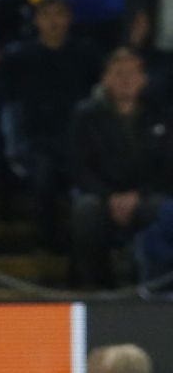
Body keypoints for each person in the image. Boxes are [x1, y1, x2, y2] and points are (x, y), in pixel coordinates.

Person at [0, 0, 101, 247]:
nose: (53, 21)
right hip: (38, 139)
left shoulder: (86, 55)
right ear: (36, 20)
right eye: (46, 15)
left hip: (79, 138)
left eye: (59, 14)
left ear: (69, 18)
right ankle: (48, 242)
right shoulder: (20, 57)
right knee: (44, 177)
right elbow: (10, 104)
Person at [69, 47, 173, 289]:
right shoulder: (86, 116)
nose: (125, 80)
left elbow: (167, 168)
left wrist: (138, 196)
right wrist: (110, 197)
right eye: (118, 73)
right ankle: (95, 288)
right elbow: (79, 167)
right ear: (105, 78)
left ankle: (157, 287)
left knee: (163, 210)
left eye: (132, 73)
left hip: (147, 195)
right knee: (85, 211)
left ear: (143, 78)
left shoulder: (161, 115)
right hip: (101, 196)